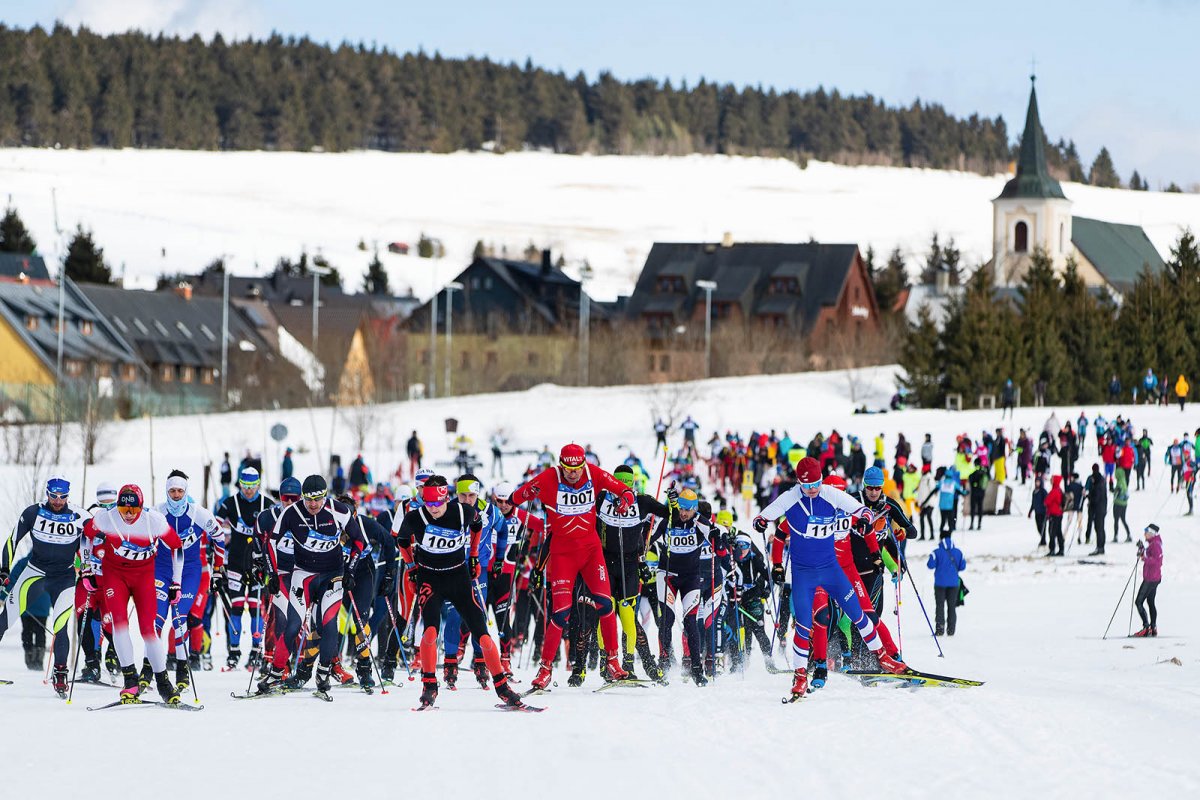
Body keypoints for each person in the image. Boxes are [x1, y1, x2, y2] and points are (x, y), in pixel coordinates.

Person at [754, 457, 907, 700]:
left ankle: (883, 657)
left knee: (859, 614)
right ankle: (801, 676)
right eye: (807, 486)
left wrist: (866, 518)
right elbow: (767, 513)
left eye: (816, 483)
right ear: (799, 484)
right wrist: (761, 522)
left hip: (831, 570)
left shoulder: (830, 494)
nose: (812, 489)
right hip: (804, 575)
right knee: (805, 624)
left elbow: (859, 509)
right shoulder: (791, 497)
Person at [393, 476, 526, 709]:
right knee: (431, 630)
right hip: (430, 579)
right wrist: (412, 567)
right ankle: (429, 686)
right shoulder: (415, 517)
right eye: (429, 503)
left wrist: (473, 555)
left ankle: (503, 688)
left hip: (458, 577)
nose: (433, 509)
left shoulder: (463, 512)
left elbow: (477, 527)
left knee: (481, 631)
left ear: (446, 499)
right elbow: (402, 541)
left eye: (438, 504)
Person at [511, 443, 637, 690]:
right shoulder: (550, 477)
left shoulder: (593, 472)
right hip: (562, 554)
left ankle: (612, 662)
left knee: (605, 603)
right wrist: (527, 493)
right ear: (561, 465)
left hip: (591, 551)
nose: (573, 474)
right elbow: (516, 498)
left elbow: (624, 491)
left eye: (577, 468)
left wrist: (626, 499)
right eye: (568, 469)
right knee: (560, 613)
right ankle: (545, 669)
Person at [256, 475, 366, 699]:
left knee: (329, 624)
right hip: (303, 574)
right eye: (308, 500)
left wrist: (351, 570)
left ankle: (324, 673)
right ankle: (277, 672)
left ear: (325, 496)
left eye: (317, 499)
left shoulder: (338, 511)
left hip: (332, 575)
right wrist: (272, 573)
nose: (313, 504)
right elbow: (271, 542)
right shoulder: (292, 512)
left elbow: (360, 541)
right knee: (293, 625)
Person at [88, 485, 185, 704]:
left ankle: (163, 684)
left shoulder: (155, 521)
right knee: (119, 624)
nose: (129, 514)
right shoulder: (106, 517)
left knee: (148, 630)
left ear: (142, 507)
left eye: (133, 510)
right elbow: (87, 536)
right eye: (124, 510)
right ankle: (130, 680)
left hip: (143, 578)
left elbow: (177, 547)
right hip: (116, 577)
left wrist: (176, 583)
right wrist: (86, 568)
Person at [0, 477, 92, 697]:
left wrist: (88, 568)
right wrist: (5, 569)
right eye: (53, 496)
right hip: (34, 573)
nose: (58, 501)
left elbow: (95, 540)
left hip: (64, 577)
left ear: (68, 496)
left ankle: (60, 672)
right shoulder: (33, 513)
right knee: (6, 618)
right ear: (47, 493)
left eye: (62, 497)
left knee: (60, 624)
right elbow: (12, 541)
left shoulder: (80, 516)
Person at [595, 464, 669, 681]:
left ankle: (629, 664)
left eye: (627, 484)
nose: (623, 489)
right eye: (619, 484)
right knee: (606, 612)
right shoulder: (602, 499)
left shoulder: (642, 501)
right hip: (606, 562)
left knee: (628, 613)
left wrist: (673, 501)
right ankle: (606, 661)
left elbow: (667, 513)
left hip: (630, 564)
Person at [153, 470, 220, 694]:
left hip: (190, 572)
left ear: (186, 491)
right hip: (162, 571)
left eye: (180, 490)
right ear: (166, 491)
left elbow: (220, 537)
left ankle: (183, 668)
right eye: (172, 490)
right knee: (156, 621)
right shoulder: (157, 512)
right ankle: (148, 670)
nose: (176, 495)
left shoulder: (198, 513)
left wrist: (218, 569)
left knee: (180, 619)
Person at [648, 488, 716, 685]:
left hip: (691, 578)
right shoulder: (671, 519)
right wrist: (643, 546)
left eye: (688, 510)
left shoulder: (700, 522)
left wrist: (720, 541)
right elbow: (651, 537)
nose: (683, 513)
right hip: (667, 574)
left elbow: (715, 537)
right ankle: (664, 663)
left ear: (695, 509)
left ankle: (697, 669)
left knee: (691, 622)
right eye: (681, 509)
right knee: (666, 619)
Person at [213, 466, 269, 670]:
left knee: (255, 608)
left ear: (258, 485)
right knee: (236, 607)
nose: (248, 491)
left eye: (252, 486)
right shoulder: (230, 502)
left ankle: (256, 652)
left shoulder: (265, 503)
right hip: (235, 562)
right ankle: (233, 653)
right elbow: (214, 525)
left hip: (257, 564)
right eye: (245, 486)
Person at [927, 531, 966, 636]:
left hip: (940, 583)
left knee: (939, 606)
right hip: (954, 583)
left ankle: (940, 630)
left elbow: (930, 565)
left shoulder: (936, 552)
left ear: (940, 538)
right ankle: (951, 630)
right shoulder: (958, 552)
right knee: (952, 606)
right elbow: (962, 567)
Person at [1133, 524, 1162, 637]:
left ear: (1151, 533)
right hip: (1154, 577)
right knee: (1150, 602)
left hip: (1151, 578)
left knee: (1138, 602)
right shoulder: (1153, 543)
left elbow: (1156, 561)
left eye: (1146, 532)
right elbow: (1149, 555)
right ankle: (1153, 627)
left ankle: (1146, 627)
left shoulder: (1155, 545)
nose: (1144, 534)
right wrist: (1142, 549)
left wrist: (1143, 557)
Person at [1084, 464, 1108, 556]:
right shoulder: (1101, 479)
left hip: (1098, 508)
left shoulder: (1098, 481)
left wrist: (1089, 496)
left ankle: (1100, 547)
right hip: (1102, 507)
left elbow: (1096, 496)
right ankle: (1101, 546)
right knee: (1100, 527)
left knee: (1099, 528)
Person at [1045, 475, 1065, 557]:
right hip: (1059, 514)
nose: (1050, 481)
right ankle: (1061, 549)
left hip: (1054, 514)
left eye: (1052, 480)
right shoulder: (1059, 490)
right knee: (1058, 532)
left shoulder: (1054, 491)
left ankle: (1052, 549)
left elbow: (1047, 501)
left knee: (1052, 532)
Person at [967, 457, 988, 530]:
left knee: (973, 508)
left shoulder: (974, 471)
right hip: (981, 492)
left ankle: (972, 524)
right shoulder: (984, 470)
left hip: (974, 492)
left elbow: (970, 478)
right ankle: (979, 524)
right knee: (980, 508)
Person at [916, 467, 937, 540]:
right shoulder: (922, 478)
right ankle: (922, 535)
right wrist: (918, 501)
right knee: (922, 518)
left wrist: (926, 502)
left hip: (929, 502)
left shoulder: (929, 478)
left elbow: (932, 491)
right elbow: (921, 492)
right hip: (923, 503)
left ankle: (932, 535)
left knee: (928, 517)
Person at [1112, 467, 1132, 543]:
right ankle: (1129, 534)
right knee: (1123, 519)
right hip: (1124, 504)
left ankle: (1116, 536)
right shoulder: (1124, 481)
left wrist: (1114, 491)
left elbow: (1118, 492)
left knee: (1116, 520)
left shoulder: (1119, 482)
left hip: (1118, 503)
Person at [1029, 476, 1047, 547]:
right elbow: (1033, 502)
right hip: (1037, 512)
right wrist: (1030, 511)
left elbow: (1046, 501)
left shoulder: (1043, 491)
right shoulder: (1034, 491)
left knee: (1043, 527)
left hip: (1043, 512)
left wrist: (1046, 510)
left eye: (1038, 482)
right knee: (1038, 527)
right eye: (1036, 482)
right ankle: (1042, 539)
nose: (1037, 483)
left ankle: (1043, 540)